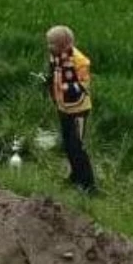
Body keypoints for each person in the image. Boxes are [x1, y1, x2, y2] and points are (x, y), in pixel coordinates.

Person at [46, 26, 96, 193]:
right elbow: (53, 74)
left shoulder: (80, 62)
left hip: (78, 110)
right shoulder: (55, 56)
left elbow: (83, 85)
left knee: (78, 146)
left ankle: (88, 184)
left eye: (52, 44)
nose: (49, 47)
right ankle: (75, 175)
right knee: (67, 144)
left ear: (64, 44)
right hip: (63, 108)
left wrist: (64, 87)